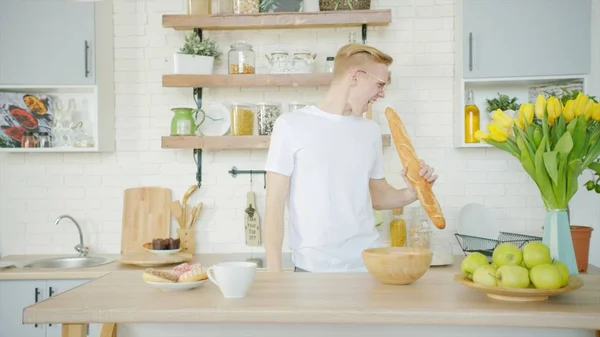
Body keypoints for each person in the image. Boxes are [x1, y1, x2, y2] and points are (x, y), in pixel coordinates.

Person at [263, 43, 438, 273]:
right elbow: (273, 208)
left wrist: (412, 192)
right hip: (313, 270)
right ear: (355, 77)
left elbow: (378, 195)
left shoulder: (371, 130)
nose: (382, 93)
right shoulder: (290, 125)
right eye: (380, 84)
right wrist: (274, 275)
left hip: (368, 266)